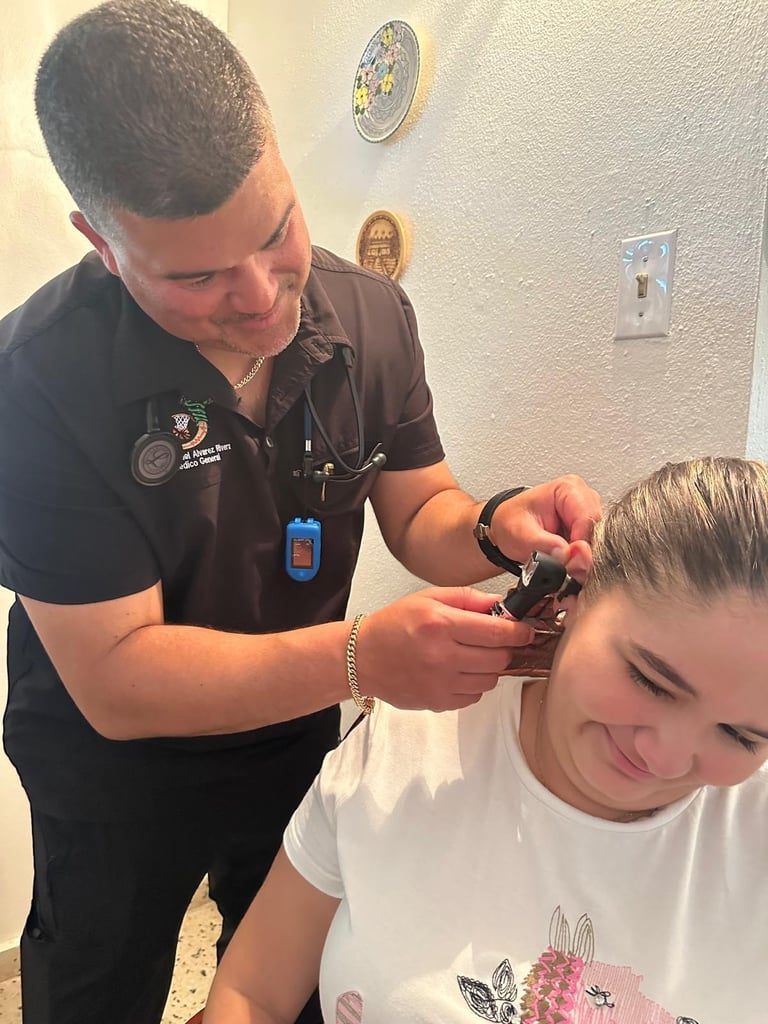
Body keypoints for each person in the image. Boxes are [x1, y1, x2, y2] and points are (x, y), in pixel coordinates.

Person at [0, 2, 600, 1023]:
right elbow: (118, 680)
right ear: (100, 242)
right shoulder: (36, 380)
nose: (264, 296)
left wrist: (500, 525)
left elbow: (425, 515)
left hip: (291, 739)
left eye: (277, 230)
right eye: (196, 276)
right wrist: (364, 658)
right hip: (113, 772)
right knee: (98, 985)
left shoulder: (370, 316)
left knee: (298, 976)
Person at [204, 455, 768, 1024]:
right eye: (650, 680)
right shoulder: (406, 752)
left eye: (742, 736)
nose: (666, 758)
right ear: (574, 591)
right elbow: (252, 995)